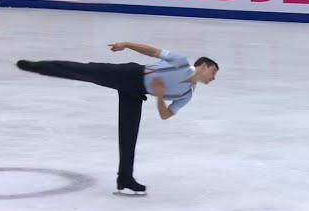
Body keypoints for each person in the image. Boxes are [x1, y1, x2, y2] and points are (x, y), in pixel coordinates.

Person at [16, 42, 218, 195]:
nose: (213, 77)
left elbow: (166, 115)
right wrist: (126, 44)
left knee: (129, 137)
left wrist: (158, 96)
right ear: (203, 66)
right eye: (213, 72)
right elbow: (153, 51)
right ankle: (37, 66)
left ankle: (125, 179)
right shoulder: (180, 61)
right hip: (130, 74)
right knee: (85, 70)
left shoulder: (186, 94)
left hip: (137, 93)